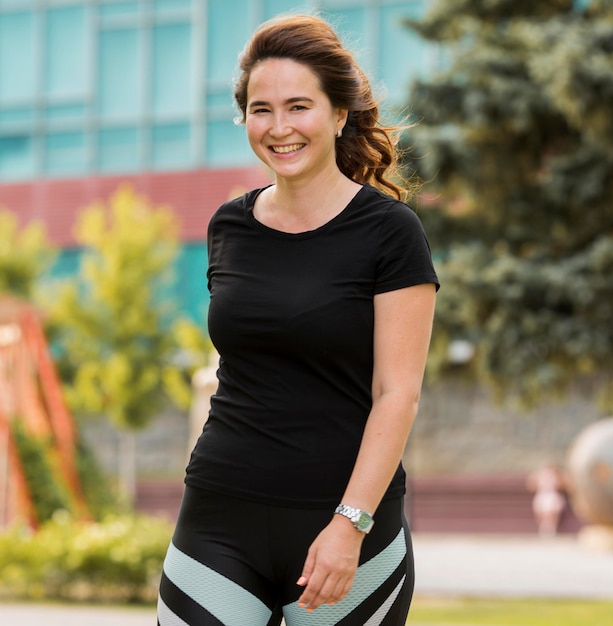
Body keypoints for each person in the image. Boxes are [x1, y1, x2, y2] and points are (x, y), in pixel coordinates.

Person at [157, 14, 439, 626]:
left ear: (340, 114)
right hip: (219, 515)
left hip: (345, 526)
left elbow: (398, 393)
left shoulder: (392, 233)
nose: (279, 128)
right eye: (261, 109)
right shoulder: (228, 226)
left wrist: (349, 524)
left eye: (298, 106)